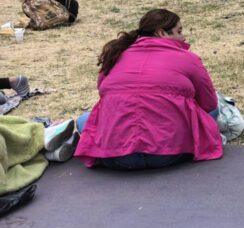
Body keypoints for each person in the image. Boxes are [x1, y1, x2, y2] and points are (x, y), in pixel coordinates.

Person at [74, 9, 222, 170]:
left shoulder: (115, 56)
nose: (184, 37)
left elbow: (104, 97)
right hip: (169, 153)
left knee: (84, 119)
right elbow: (209, 104)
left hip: (115, 157)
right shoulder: (188, 58)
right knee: (215, 108)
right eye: (179, 31)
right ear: (161, 32)